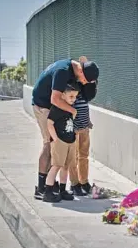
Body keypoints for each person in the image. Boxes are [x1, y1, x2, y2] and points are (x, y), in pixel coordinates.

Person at [32, 58, 99, 199]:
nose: (83, 83)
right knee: (49, 145)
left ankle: (51, 185)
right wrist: (72, 111)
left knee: (58, 148)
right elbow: (54, 99)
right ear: (80, 71)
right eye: (84, 80)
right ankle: (41, 188)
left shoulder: (73, 71)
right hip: (43, 106)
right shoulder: (63, 71)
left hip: (54, 108)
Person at [44, 82, 80, 202]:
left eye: (75, 97)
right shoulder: (57, 108)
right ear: (63, 95)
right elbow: (50, 123)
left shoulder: (70, 109)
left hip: (70, 141)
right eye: (71, 96)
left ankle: (62, 190)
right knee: (56, 166)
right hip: (60, 142)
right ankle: (48, 191)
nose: (73, 99)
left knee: (66, 166)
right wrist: (55, 139)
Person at [69, 56, 98, 196]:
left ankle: (84, 181)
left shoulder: (88, 87)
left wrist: (88, 121)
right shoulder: (72, 83)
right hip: (73, 127)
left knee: (84, 155)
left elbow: (85, 104)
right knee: (73, 156)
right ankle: (74, 184)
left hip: (84, 125)